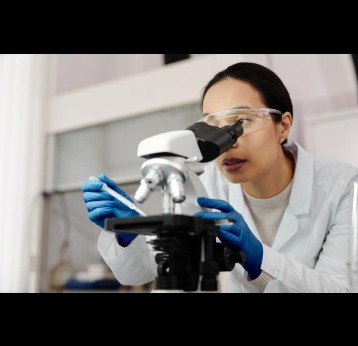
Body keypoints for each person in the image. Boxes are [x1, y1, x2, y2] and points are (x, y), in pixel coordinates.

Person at [82, 62, 358, 293]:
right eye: (212, 126)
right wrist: (128, 235)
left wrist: (259, 258)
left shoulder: (344, 187)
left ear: (283, 125)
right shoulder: (206, 183)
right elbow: (140, 273)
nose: (226, 143)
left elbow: (343, 288)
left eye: (241, 122)